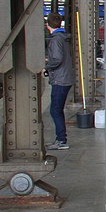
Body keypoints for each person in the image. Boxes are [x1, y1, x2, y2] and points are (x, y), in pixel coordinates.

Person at [43, 13, 74, 150]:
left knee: (55, 110)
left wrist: (46, 66)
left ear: (47, 25)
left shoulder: (55, 39)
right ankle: (61, 139)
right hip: (66, 77)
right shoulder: (64, 38)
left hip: (60, 79)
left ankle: (61, 140)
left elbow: (57, 59)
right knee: (57, 109)